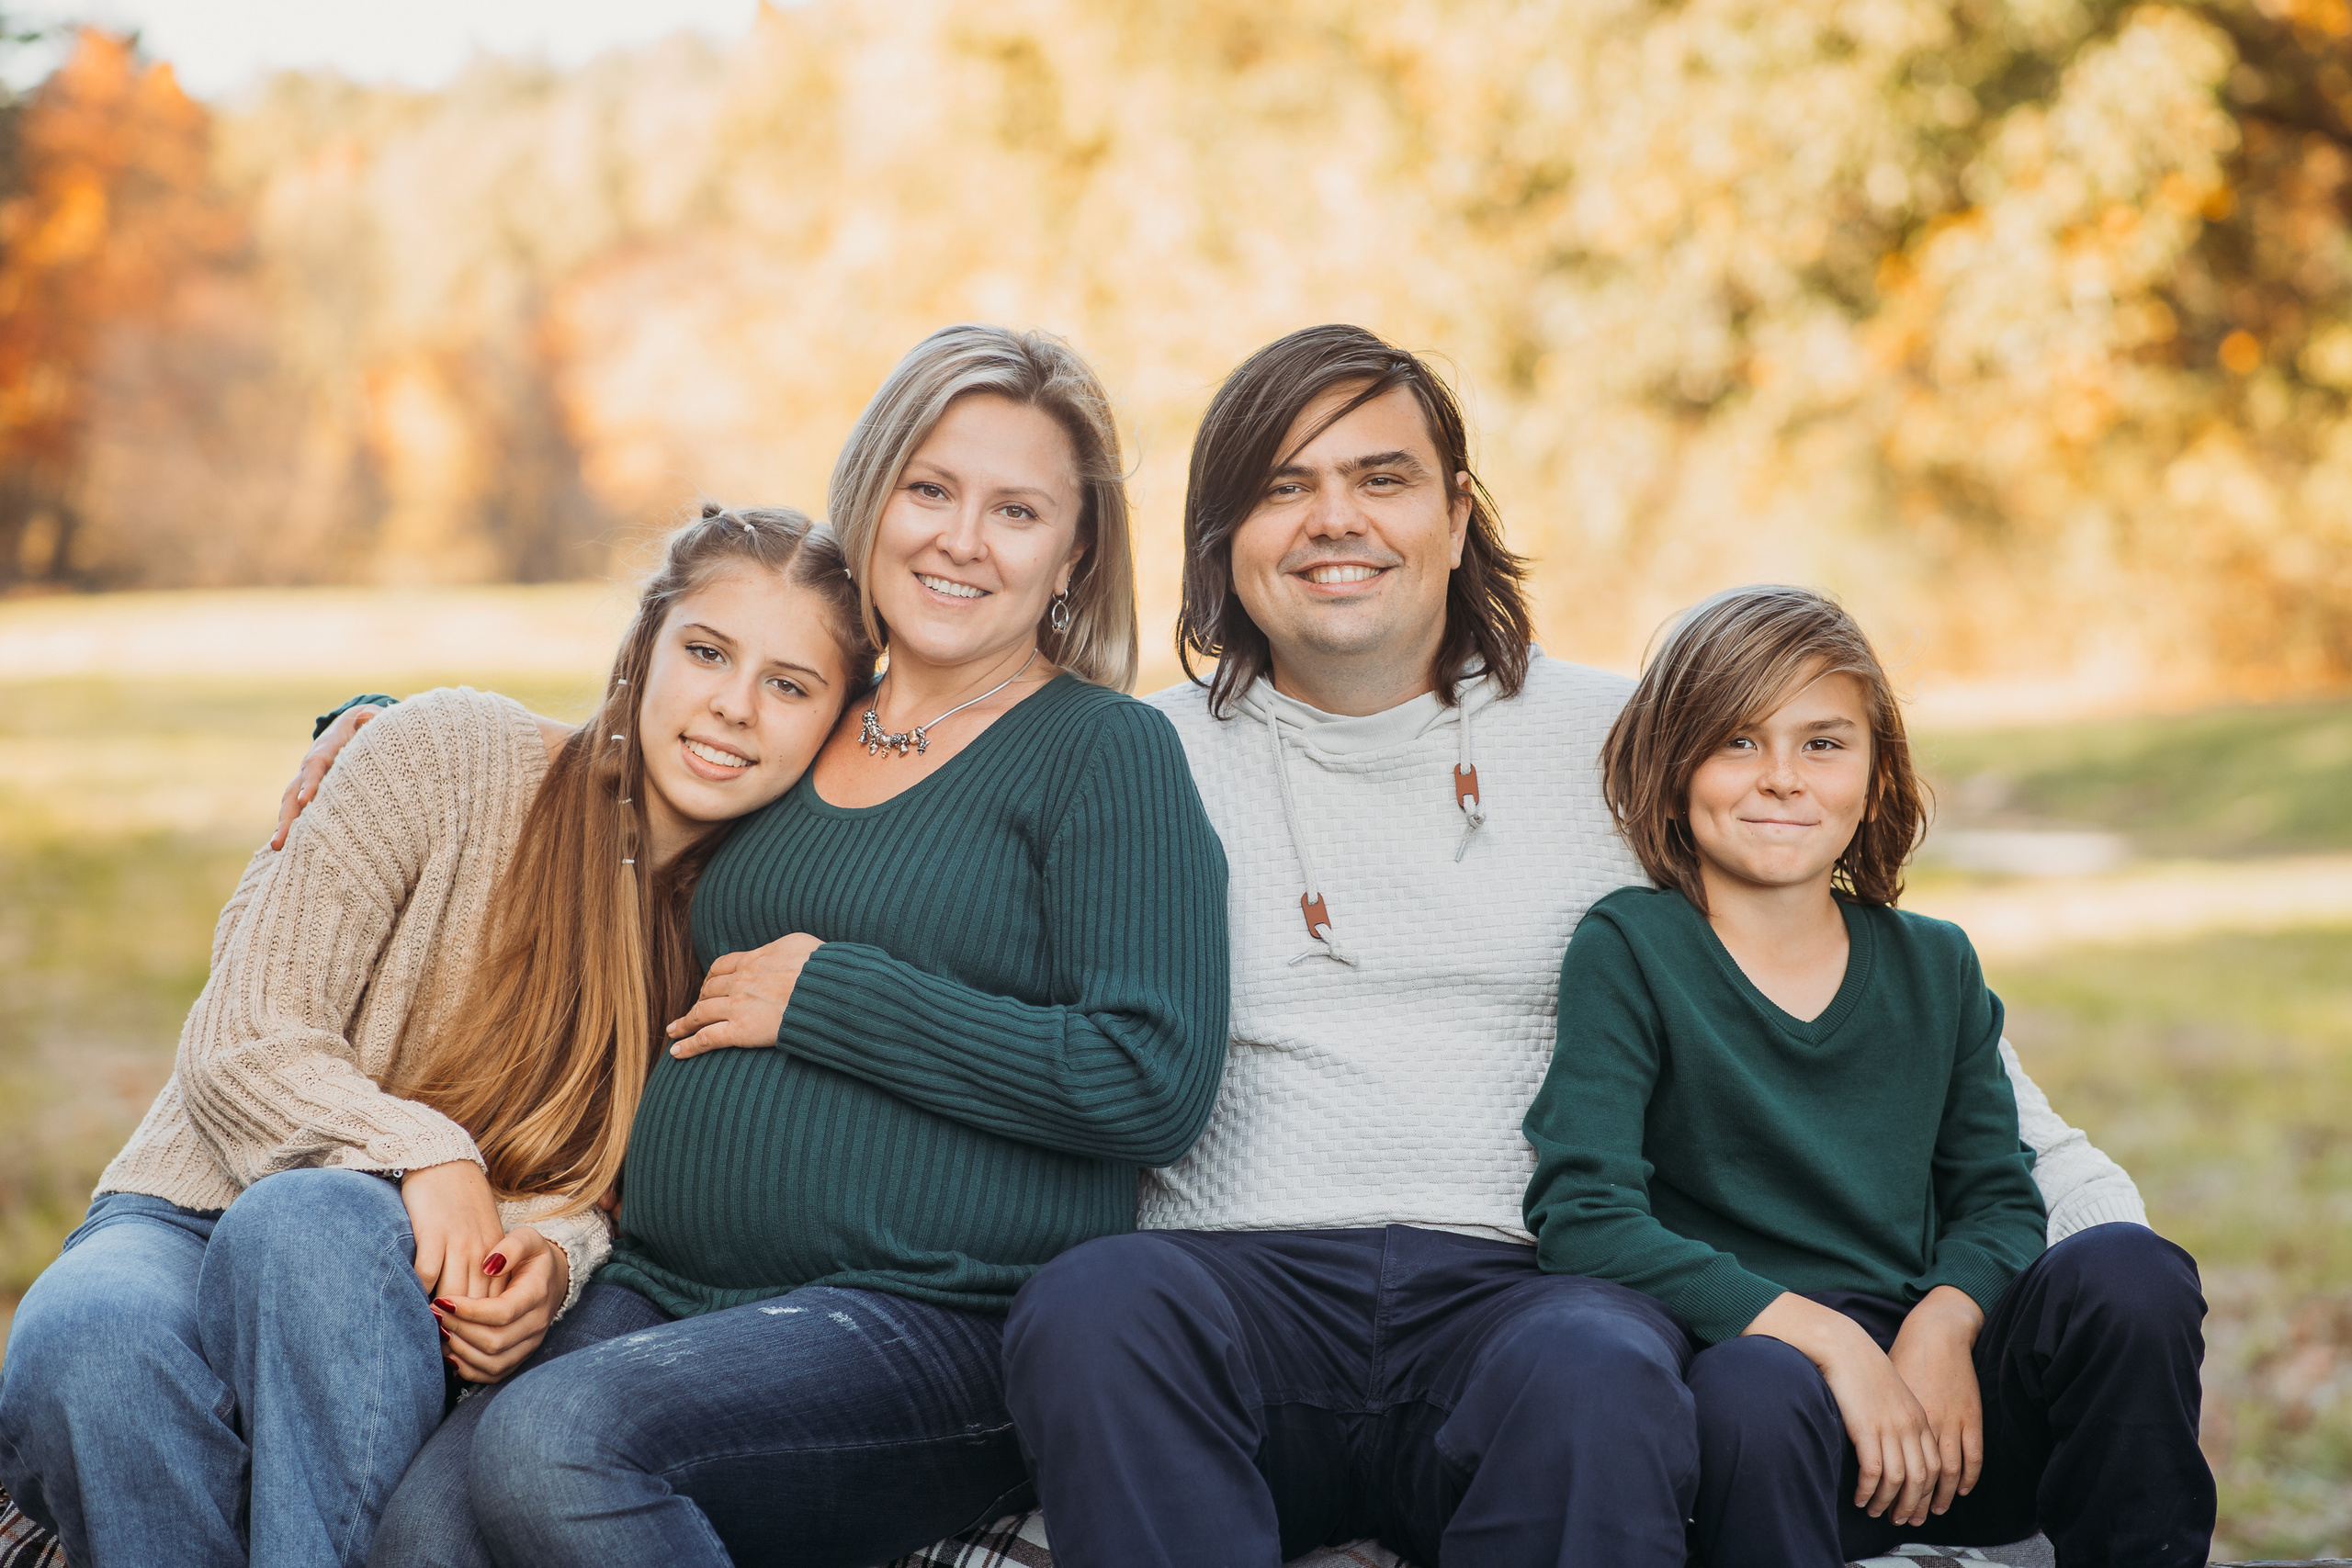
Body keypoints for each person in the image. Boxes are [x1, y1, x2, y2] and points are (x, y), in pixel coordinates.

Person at [1001, 324, 2149, 1568]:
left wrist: (2110, 1242)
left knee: (1606, 1366)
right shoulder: (1128, 758)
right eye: (1283, 486)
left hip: (1528, 1292)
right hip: (1231, 1290)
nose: (1334, 518)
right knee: (1091, 1305)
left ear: (1455, 511)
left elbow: (1897, 1017)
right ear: (1222, 536)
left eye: (1378, 478)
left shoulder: (1626, 740)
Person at [347, 324, 1230, 1568]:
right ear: (872, 494)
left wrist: (834, 995)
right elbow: (627, 761)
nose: (961, 538)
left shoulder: (1103, 751)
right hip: (667, 1283)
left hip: (933, 1317)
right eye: (931, 489)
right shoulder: (814, 706)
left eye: (1017, 509)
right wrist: (377, 732)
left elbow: (1153, 1076)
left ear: (1072, 550)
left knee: (558, 1444)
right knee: (422, 1536)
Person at [0, 505, 874, 1568]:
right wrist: (425, 1148)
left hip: (414, 1290)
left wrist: (553, 1255)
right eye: (705, 652)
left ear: (837, 721)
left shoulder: (759, 935)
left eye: (789, 685)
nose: (733, 707)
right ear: (645, 647)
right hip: (194, 1207)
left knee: (311, 1228)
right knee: (82, 1350)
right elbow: (241, 1035)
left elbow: (643, 1192)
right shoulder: (447, 754)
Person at [1521, 585, 2213, 1568]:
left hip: (1956, 1424)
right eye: (1737, 743)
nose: (1781, 780)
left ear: (1876, 772)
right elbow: (1583, 1213)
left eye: (1822, 743)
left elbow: (1999, 1197)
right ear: (1670, 769)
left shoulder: (1936, 965)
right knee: (1752, 1387)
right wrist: (1834, 1344)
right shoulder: (1630, 949)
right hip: (1776, 1417)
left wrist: (1942, 1325)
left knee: (2132, 1274)